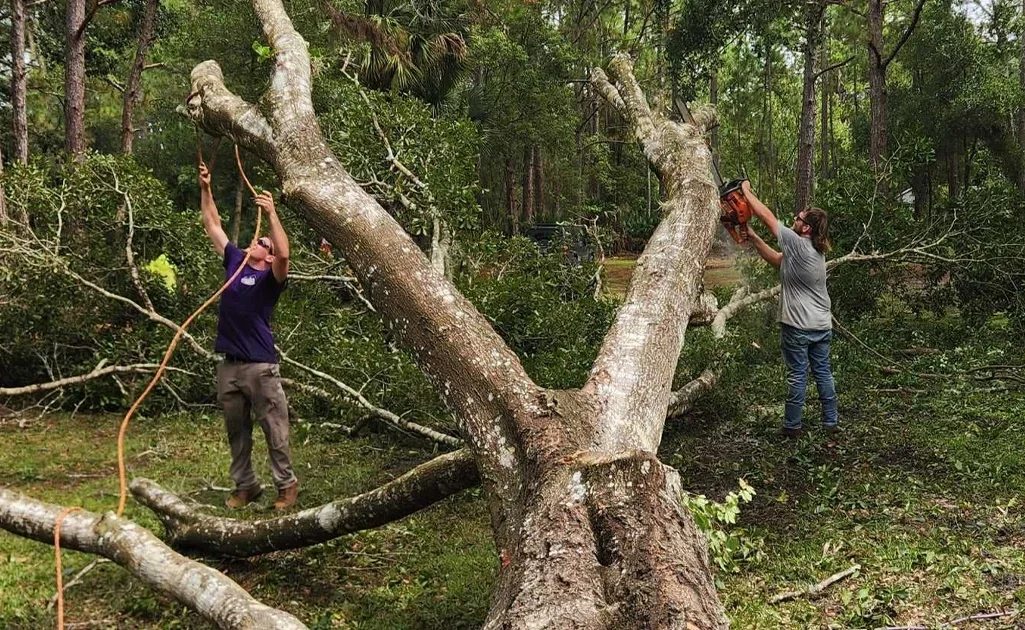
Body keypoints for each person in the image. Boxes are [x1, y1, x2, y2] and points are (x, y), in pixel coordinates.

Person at [199, 163, 299, 509]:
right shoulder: (235, 261)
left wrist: (271, 214)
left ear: (267, 256)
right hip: (229, 365)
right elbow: (212, 224)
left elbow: (284, 254)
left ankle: (286, 486)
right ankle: (246, 486)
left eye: (262, 243)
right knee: (236, 432)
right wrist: (206, 188)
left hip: (260, 366)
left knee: (274, 428)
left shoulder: (271, 279)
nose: (255, 242)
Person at [740, 181, 839, 438]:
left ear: (805, 228)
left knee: (797, 375)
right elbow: (776, 260)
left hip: (798, 327)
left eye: (798, 218)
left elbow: (767, 217)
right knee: (823, 373)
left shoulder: (797, 243)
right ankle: (831, 422)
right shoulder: (813, 250)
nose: (794, 219)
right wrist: (753, 237)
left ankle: (792, 427)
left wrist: (746, 191)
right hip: (821, 325)